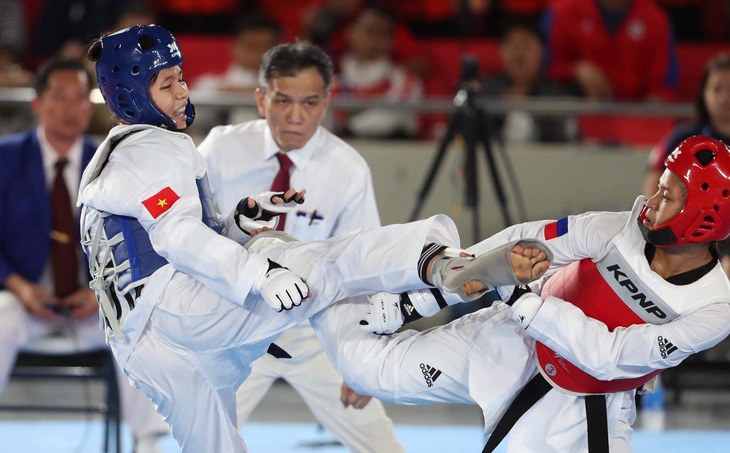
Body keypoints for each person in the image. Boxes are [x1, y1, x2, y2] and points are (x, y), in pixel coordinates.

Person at [78, 25, 544, 453]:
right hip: (193, 308)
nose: (183, 92)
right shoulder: (158, 151)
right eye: (168, 84)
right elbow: (178, 236)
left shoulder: (121, 152)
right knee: (295, 257)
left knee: (211, 443)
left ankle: (402, 293)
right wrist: (257, 272)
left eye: (181, 78)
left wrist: (240, 221)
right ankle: (431, 273)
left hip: (149, 337)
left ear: (326, 102)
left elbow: (179, 235)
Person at [295, 135, 730, 452]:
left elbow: (607, 356)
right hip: (509, 341)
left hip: (582, 408)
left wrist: (521, 299)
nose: (651, 200)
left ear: (703, 217)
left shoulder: (713, 309)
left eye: (669, 195)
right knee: (362, 370)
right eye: (659, 187)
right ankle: (314, 267)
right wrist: (420, 299)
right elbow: (527, 242)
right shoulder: (619, 227)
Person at [199, 41, 404, 452]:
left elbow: (368, 267)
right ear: (261, 99)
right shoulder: (220, 149)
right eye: (283, 101)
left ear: (326, 102)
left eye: (310, 103)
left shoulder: (346, 169)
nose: (296, 117)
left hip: (315, 325)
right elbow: (191, 235)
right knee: (202, 438)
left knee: (382, 445)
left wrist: (366, 356)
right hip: (232, 319)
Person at [0, 58, 168, 453]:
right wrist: (18, 285)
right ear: (38, 103)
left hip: (96, 302)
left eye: (82, 97)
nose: (72, 107)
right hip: (24, 297)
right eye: (61, 97)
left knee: (139, 321)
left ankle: (149, 441)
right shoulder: (5, 158)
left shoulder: (114, 161)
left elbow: (140, 241)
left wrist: (102, 292)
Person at [546, 0, 678, 101]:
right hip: (582, 112)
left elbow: (661, 86)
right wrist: (576, 70)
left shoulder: (656, 20)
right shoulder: (567, 13)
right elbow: (551, 69)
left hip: (637, 115)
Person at [643, 54, 730, 197]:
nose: (725, 97)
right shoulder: (683, 139)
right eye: (717, 89)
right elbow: (654, 186)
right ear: (703, 94)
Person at [481, 20, 579, 143]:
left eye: (526, 45)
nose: (519, 53)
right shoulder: (486, 90)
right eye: (512, 45)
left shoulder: (557, 95)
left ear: (542, 52)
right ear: (500, 51)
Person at [332, 6, 423, 138]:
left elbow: (395, 120)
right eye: (370, 31)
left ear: (392, 41)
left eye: (383, 33)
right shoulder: (330, 80)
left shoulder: (406, 81)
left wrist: (350, 124)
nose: (375, 39)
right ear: (350, 33)